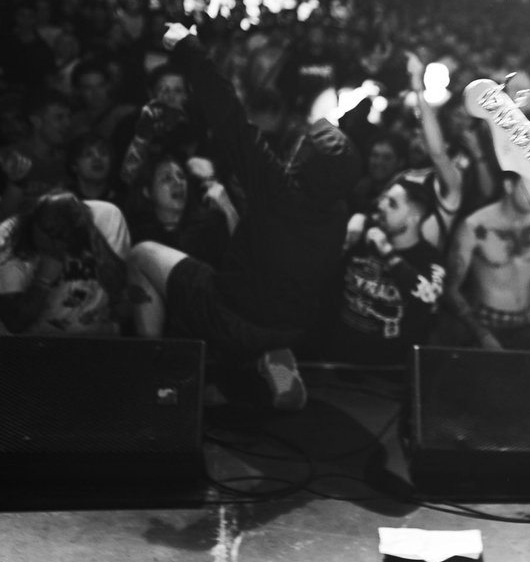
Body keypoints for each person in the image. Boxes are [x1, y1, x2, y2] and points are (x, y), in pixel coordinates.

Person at [125, 24, 361, 411]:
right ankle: (272, 361)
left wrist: (190, 49)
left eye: (304, 144)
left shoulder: (279, 190)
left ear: (306, 161)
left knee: (142, 256)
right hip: (292, 324)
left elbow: (230, 118)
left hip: (238, 316)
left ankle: (159, 374)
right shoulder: (336, 210)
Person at [331, 173, 445, 366]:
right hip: (340, 359)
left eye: (392, 204)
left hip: (388, 370)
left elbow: (429, 297)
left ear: (413, 218)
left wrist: (387, 253)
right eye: (384, 199)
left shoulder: (429, 259)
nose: (381, 206)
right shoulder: (362, 236)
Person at [444, 171, 530, 352]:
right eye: (528, 189)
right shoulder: (475, 225)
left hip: (528, 324)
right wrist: (481, 333)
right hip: (487, 324)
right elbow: (451, 289)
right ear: (508, 186)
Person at [0, 190, 130, 336]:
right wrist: (43, 280)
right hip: (32, 347)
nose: (60, 247)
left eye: (66, 238)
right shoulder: (9, 238)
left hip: (96, 342)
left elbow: (120, 296)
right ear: (36, 225)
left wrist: (93, 237)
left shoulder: (106, 216)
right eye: (52, 236)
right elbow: (14, 323)